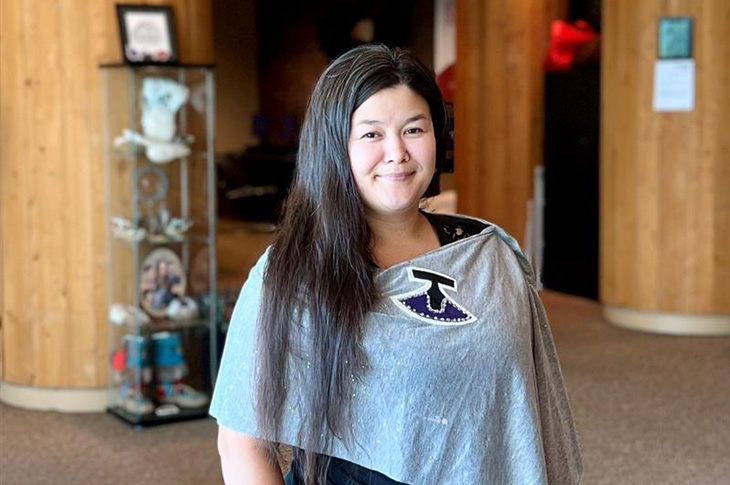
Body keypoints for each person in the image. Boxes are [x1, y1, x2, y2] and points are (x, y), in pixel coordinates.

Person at [210, 44, 583, 485]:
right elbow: (242, 442)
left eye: (414, 129)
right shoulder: (292, 270)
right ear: (334, 147)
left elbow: (521, 407)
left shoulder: (485, 254)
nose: (397, 153)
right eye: (371, 134)